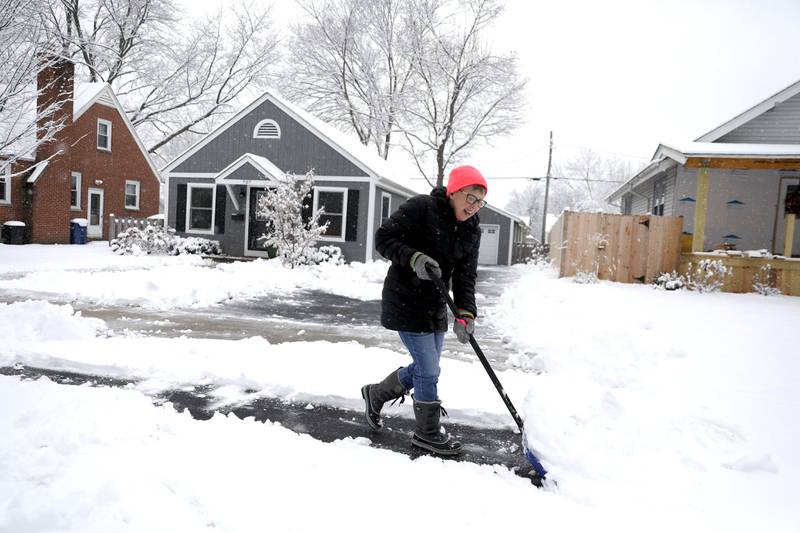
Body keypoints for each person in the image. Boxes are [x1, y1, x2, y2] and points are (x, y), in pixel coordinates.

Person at [361, 165, 487, 456]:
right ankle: (427, 433)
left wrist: (466, 313)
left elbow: (466, 275)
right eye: (470, 197)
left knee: (425, 369)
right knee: (429, 370)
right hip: (405, 299)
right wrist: (413, 257)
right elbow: (384, 238)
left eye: (480, 201)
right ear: (454, 192)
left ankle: (376, 394)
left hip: (435, 305)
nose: (474, 206)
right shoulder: (422, 207)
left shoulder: (472, 229)